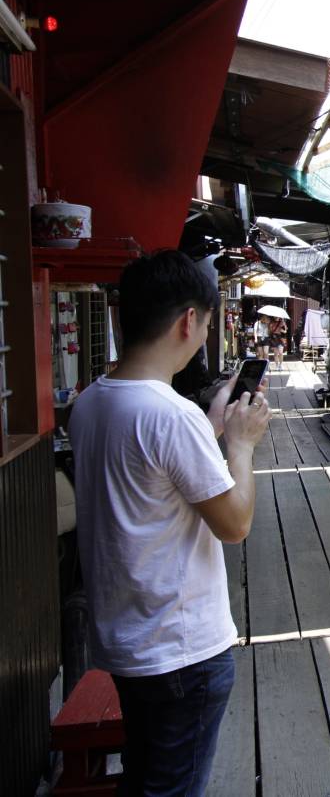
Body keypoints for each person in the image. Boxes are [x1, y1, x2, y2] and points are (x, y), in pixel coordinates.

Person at [68, 250, 271, 796]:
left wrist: (209, 424)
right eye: (206, 323)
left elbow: (153, 476)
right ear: (189, 321)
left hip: (125, 640)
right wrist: (241, 445)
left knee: (147, 778)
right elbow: (234, 524)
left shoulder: (89, 404)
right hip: (182, 650)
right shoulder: (170, 416)